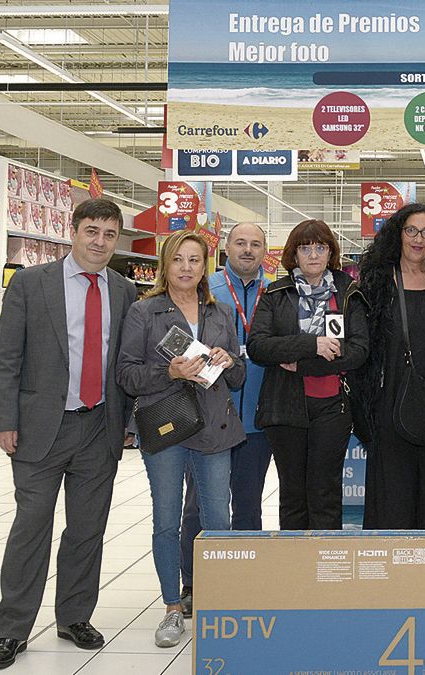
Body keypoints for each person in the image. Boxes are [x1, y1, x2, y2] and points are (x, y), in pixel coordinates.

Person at [0, 198, 136, 670]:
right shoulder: (32, 283)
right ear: (73, 231)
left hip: (99, 426)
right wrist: (3, 420)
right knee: (31, 528)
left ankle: (74, 616)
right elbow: (7, 355)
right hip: (39, 427)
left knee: (87, 529)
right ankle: (12, 629)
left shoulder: (124, 289)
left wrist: (128, 422)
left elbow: (126, 362)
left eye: (109, 234)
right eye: (91, 231)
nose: (99, 242)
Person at [117, 230, 245, 647]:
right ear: (165, 265)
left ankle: (219, 603)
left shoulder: (221, 313)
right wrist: (169, 372)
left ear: (204, 266)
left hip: (213, 426)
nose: (186, 268)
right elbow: (127, 375)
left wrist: (228, 361)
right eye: (178, 260)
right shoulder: (145, 313)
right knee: (166, 521)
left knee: (218, 521)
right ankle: (173, 607)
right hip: (166, 426)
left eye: (195, 260)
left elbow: (240, 376)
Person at [248, 219, 369, 530]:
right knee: (292, 493)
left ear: (330, 252)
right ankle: (295, 571)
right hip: (285, 405)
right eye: (305, 248)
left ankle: (326, 570)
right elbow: (259, 347)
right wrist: (311, 344)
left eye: (320, 247)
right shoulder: (276, 293)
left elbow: (358, 351)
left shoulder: (348, 293)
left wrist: (303, 364)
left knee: (325, 492)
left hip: (332, 406)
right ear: (294, 254)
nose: (313, 255)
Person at [176, 222, 270, 618]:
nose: (247, 250)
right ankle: (195, 583)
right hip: (206, 418)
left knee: (248, 506)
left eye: (256, 244)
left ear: (266, 251)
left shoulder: (278, 294)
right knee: (200, 505)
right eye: (240, 243)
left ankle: (243, 581)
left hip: (259, 419)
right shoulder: (203, 290)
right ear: (226, 247)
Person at [355, 203, 425, 529]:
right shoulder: (377, 281)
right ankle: (393, 577)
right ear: (398, 234)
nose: (418, 239)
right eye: (411, 230)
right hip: (390, 405)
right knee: (393, 500)